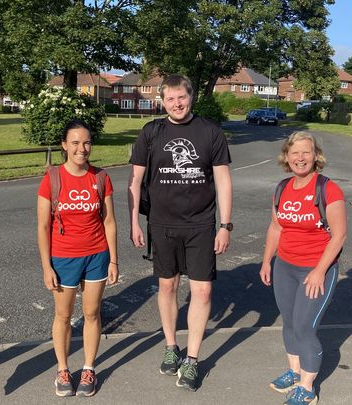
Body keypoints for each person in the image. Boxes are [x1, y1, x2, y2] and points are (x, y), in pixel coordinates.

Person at [128, 74, 233, 391]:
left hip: (201, 225)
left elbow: (224, 181)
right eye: (170, 99)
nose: (177, 103)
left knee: (202, 292)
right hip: (162, 224)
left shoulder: (210, 132)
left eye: (182, 97)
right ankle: (171, 347)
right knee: (167, 286)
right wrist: (134, 220)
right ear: (162, 101)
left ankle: (192, 360)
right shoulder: (151, 132)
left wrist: (225, 225)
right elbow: (134, 182)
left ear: (191, 97)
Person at [260, 132, 347, 405]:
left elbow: (340, 235)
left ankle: (307, 388)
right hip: (285, 266)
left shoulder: (328, 189)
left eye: (306, 152)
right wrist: (266, 261)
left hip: (316, 268)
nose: (300, 158)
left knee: (304, 327)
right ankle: (294, 372)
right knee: (289, 322)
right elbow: (276, 227)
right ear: (286, 156)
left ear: (316, 156)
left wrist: (320, 270)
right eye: (294, 153)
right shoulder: (281, 188)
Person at [37, 119, 118, 397]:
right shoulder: (53, 178)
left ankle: (88, 368)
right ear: (64, 145)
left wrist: (114, 260)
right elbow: (43, 226)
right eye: (75, 142)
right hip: (63, 257)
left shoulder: (100, 177)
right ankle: (62, 369)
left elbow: (109, 222)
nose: (81, 148)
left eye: (86, 142)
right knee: (63, 315)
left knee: (92, 313)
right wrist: (46, 266)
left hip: (97, 254)